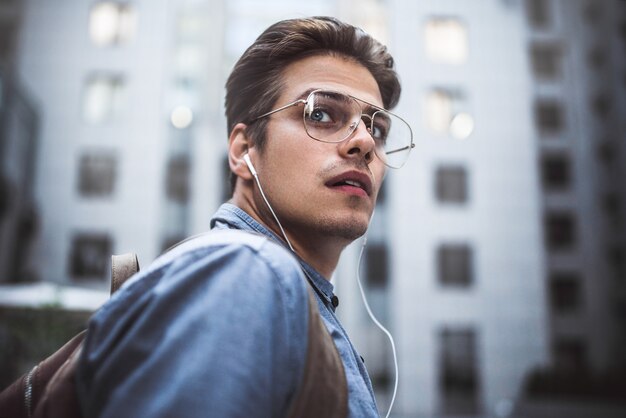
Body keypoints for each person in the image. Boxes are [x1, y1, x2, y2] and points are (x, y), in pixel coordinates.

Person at [76, 16, 413, 418]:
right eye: (321, 114)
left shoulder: (282, 292)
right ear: (242, 150)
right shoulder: (250, 271)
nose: (363, 142)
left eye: (377, 130)